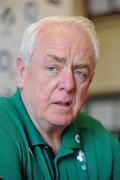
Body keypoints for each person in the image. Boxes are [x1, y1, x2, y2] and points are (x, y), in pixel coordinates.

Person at [0, 16, 120, 180]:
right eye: (52, 68)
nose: (69, 85)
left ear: (90, 81)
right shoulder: (4, 124)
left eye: (80, 73)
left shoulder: (99, 136)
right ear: (22, 72)